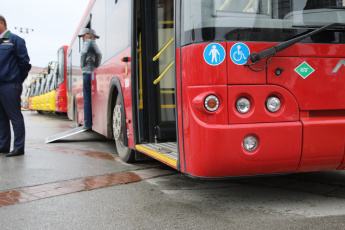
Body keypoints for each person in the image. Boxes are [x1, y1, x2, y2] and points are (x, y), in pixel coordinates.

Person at [0, 15, 31, 157]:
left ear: (1, 24)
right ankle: (3, 146)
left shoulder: (15, 40)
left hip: (10, 85)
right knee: (1, 118)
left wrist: (17, 81)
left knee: (15, 117)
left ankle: (19, 147)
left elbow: (24, 63)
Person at [78, 28, 102, 130]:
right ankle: (91, 122)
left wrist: (82, 64)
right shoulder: (91, 43)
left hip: (87, 73)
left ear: (88, 34)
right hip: (91, 74)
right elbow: (98, 54)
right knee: (92, 98)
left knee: (87, 99)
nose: (83, 38)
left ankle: (87, 123)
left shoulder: (88, 42)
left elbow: (84, 53)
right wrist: (96, 65)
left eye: (84, 36)